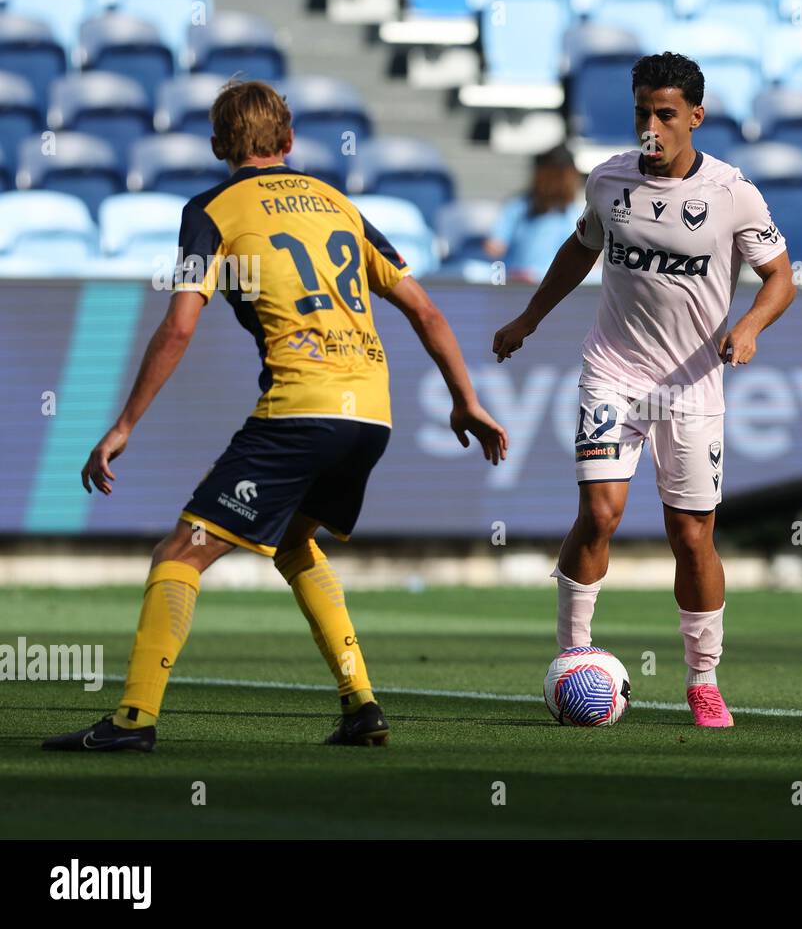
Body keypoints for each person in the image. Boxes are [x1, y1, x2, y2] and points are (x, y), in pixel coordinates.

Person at [43, 79, 507, 753]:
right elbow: (426, 310)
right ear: (288, 142)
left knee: (181, 553)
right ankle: (361, 705)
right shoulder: (339, 204)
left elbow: (178, 328)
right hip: (371, 412)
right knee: (292, 542)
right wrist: (466, 399)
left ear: (216, 146)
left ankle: (134, 721)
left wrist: (122, 426)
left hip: (301, 411)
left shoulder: (212, 209)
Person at [492, 52, 796, 727]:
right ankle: (574, 656)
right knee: (600, 513)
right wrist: (529, 318)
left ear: (696, 115)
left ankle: (703, 679)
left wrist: (747, 328)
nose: (651, 127)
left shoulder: (731, 193)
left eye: (665, 114)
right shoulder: (607, 182)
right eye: (641, 113)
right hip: (614, 374)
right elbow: (581, 250)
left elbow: (781, 277)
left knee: (690, 537)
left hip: (691, 384)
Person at [483, 145, 585, 283]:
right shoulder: (517, 206)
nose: (552, 183)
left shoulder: (576, 214)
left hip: (553, 289)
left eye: (557, 177)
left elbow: (582, 260)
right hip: (514, 285)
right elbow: (495, 247)